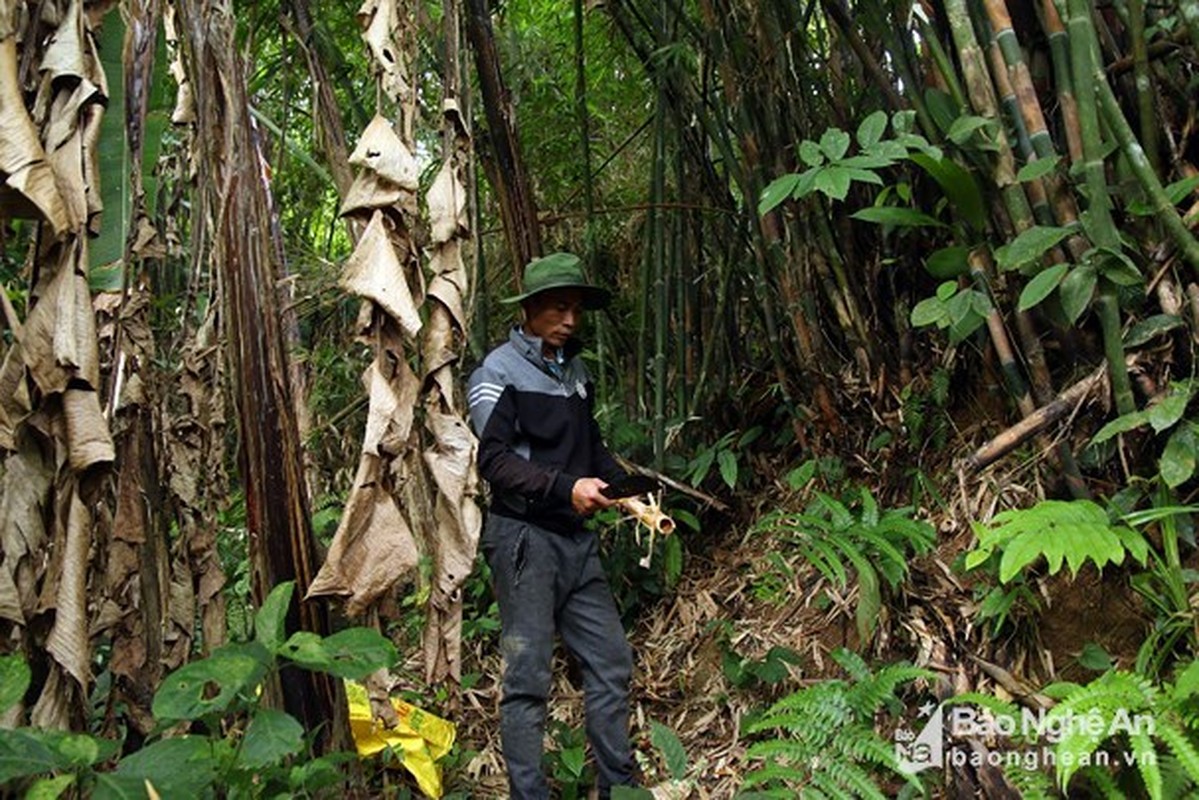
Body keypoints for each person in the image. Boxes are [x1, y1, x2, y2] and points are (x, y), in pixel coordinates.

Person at [467, 252, 638, 799]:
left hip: (575, 542)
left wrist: (629, 489)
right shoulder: (496, 372)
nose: (571, 319)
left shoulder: (576, 371)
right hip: (524, 542)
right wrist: (566, 488)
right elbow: (493, 462)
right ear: (531, 309)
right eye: (559, 308)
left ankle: (620, 786)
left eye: (577, 309)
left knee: (611, 662)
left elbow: (591, 450)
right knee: (528, 680)